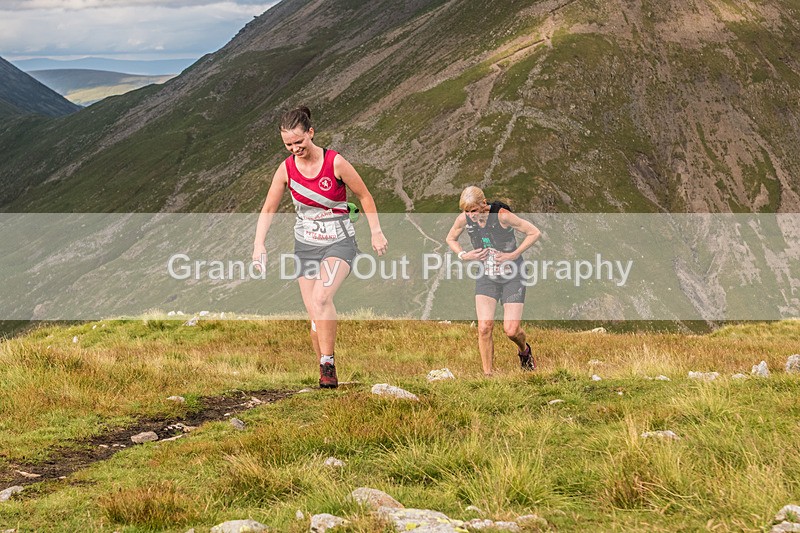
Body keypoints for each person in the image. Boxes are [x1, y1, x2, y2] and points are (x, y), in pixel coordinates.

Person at [252, 106, 388, 388]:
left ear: (311, 133)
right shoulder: (286, 169)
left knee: (322, 298)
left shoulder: (335, 163)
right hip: (306, 245)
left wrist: (376, 232)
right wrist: (259, 244)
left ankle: (328, 363)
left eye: (299, 142)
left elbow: (364, 195)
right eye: (288, 145)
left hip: (339, 241)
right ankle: (325, 374)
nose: (294, 149)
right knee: (315, 315)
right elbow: (268, 208)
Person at [446, 186, 541, 376]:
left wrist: (513, 255)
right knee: (484, 327)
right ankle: (488, 375)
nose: (470, 215)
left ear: (483, 204)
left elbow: (534, 232)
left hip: (513, 274)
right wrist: (464, 255)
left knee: (511, 330)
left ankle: (525, 351)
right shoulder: (464, 219)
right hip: (486, 275)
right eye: (466, 211)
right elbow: (450, 238)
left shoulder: (502, 216)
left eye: (473, 210)